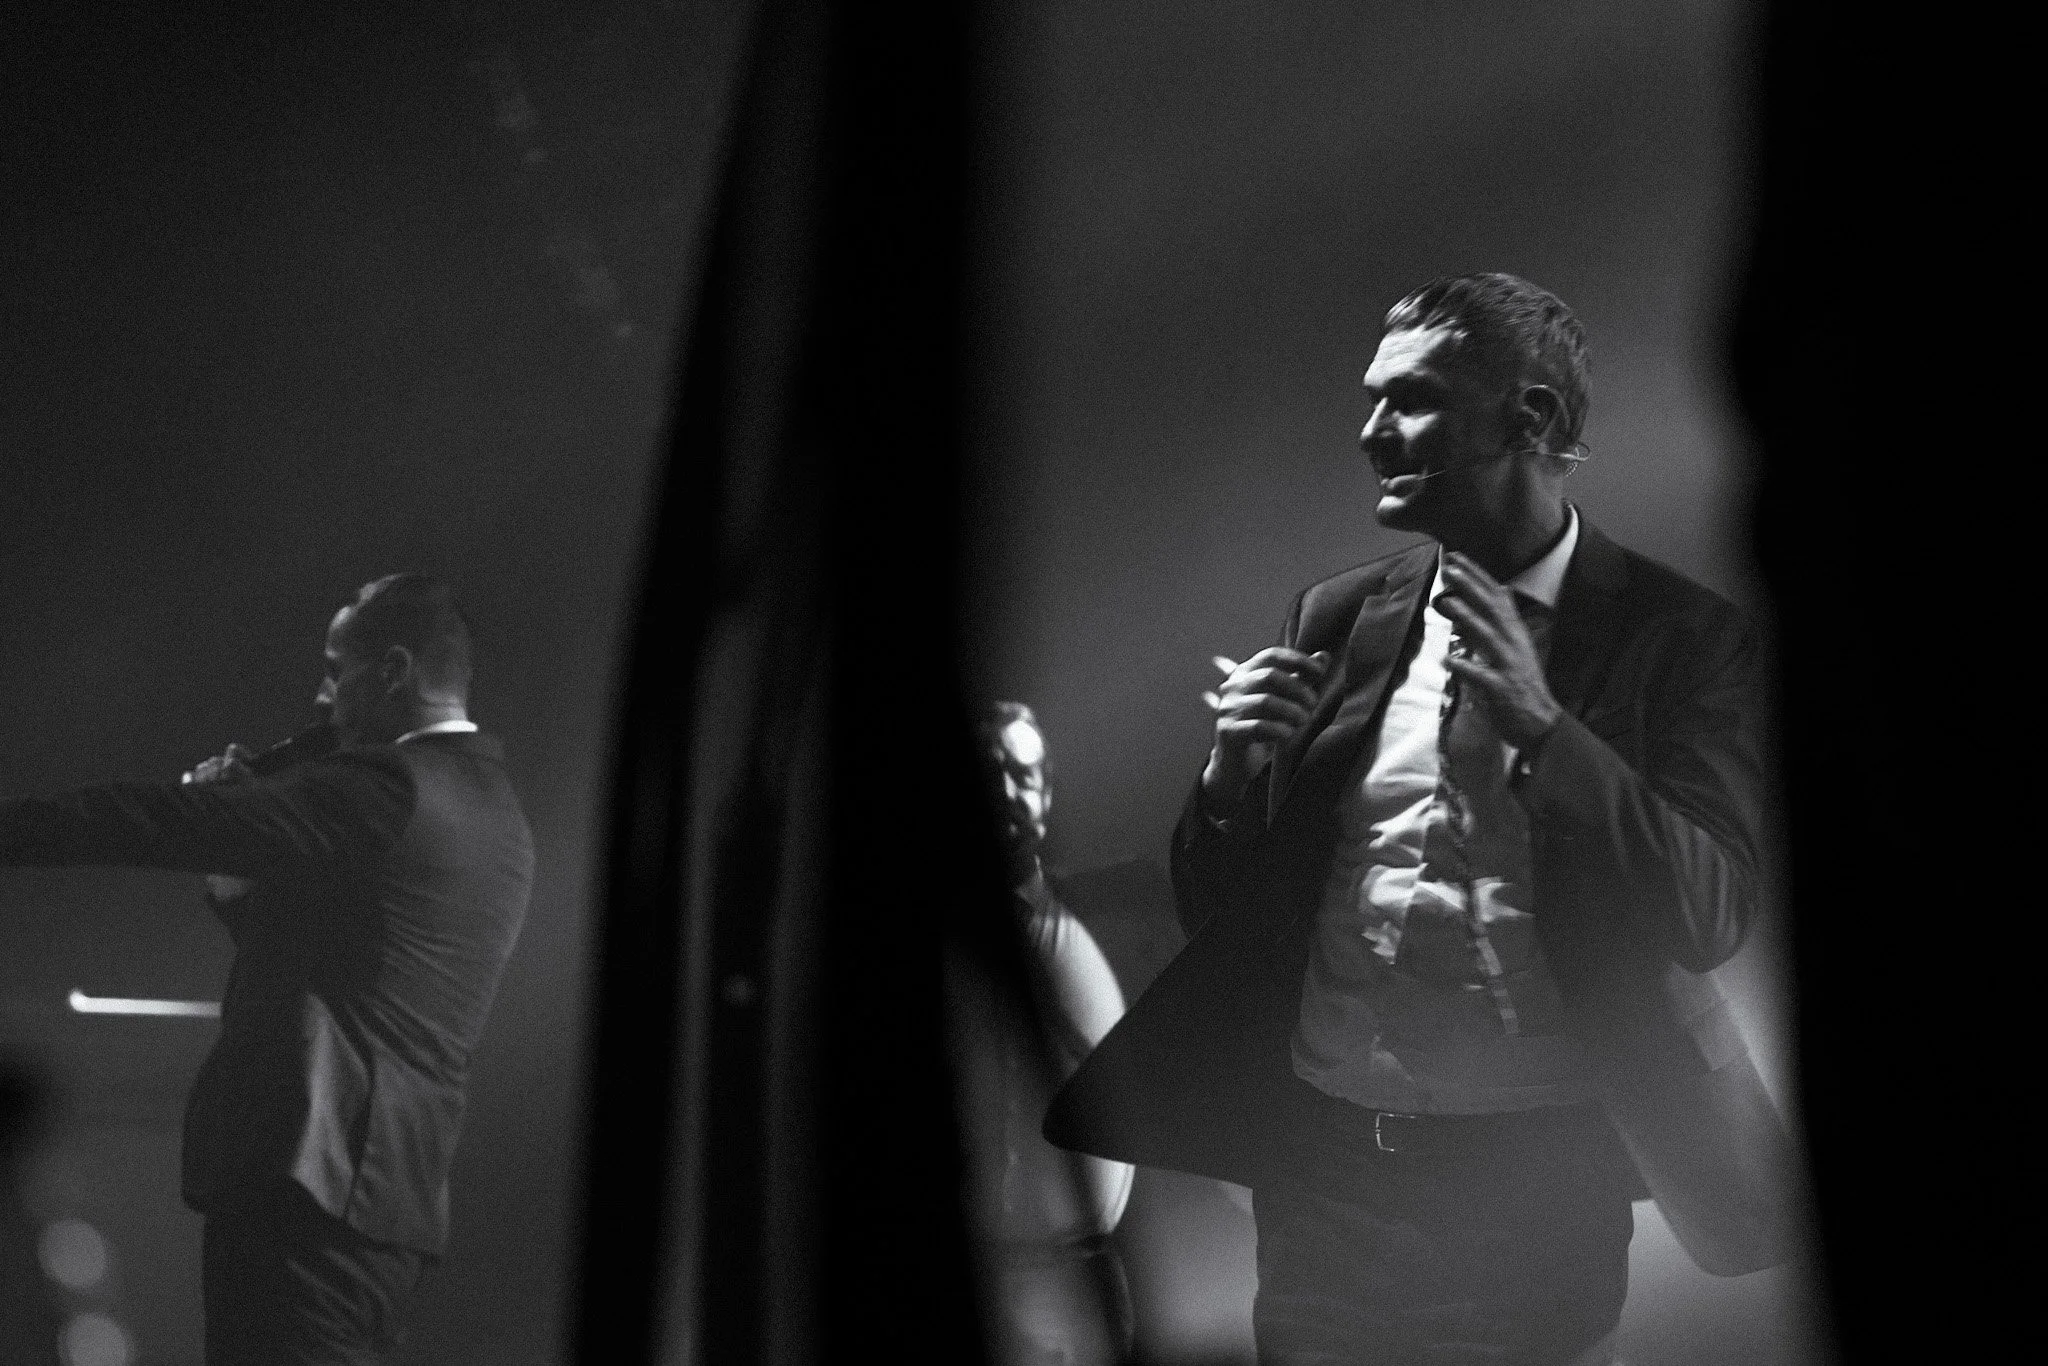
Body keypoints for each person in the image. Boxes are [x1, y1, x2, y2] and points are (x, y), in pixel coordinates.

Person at [1046, 274, 1795, 1365]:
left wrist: (1545, 731)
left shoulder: (1680, 640)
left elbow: (1706, 910)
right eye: (1368, 397)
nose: (1367, 431)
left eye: (1409, 398)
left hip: (1532, 1192)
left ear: (1528, 417)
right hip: (1325, 1183)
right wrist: (1225, 779)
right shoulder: (1341, 615)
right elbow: (1230, 911)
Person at [0, 573, 534, 1365]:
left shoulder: (385, 786)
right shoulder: (496, 813)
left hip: (307, 1184)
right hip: (387, 1201)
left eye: (335, 669)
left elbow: (158, 821)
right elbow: (354, 965)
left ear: (392, 671)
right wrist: (240, 874)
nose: (323, 698)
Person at [950, 702, 1136, 1365]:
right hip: (1007, 1277)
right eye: (990, 773)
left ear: (1048, 790)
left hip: (1077, 1277)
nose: (1008, 792)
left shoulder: (1079, 916)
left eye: (1024, 775)